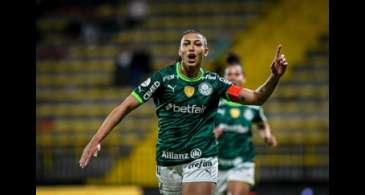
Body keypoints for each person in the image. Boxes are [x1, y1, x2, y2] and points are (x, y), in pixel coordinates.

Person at [79, 29, 288, 195]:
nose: (191, 48)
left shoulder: (215, 83)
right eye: (186, 44)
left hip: (202, 157)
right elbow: (124, 106)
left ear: (205, 52)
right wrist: (97, 138)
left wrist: (275, 77)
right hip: (168, 161)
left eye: (197, 44)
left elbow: (256, 97)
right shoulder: (162, 79)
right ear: (180, 51)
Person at [214, 53, 277, 195]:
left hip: (242, 163)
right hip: (216, 166)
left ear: (243, 78)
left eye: (237, 74)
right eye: (229, 74)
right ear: (223, 79)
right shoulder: (214, 104)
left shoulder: (252, 106)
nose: (233, 77)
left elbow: (261, 123)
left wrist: (267, 135)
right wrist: (209, 136)